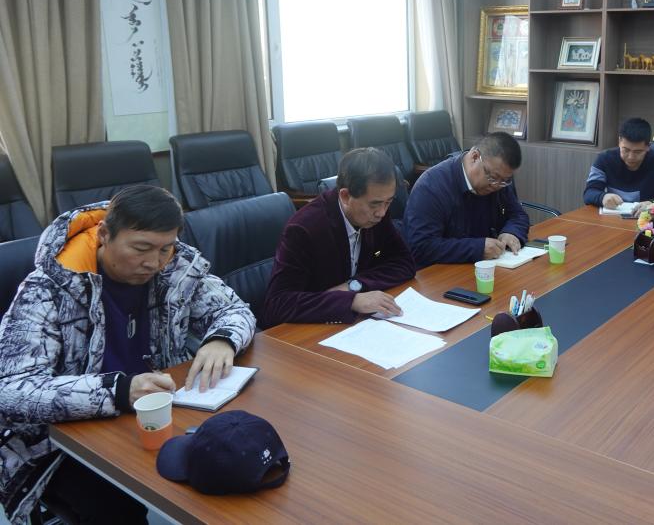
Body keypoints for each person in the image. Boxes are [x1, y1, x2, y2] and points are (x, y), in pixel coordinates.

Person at [0, 185, 256, 523]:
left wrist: (221, 340)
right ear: (104, 235)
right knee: (118, 509)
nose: (154, 263)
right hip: (61, 442)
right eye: (141, 248)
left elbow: (234, 310)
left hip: (161, 412)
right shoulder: (46, 290)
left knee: (236, 464)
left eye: (165, 248)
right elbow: (12, 388)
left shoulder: (176, 269)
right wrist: (118, 391)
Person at [261, 147, 415, 327]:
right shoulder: (304, 229)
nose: (382, 212)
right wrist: (350, 300)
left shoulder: (377, 212)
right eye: (375, 204)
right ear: (345, 196)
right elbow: (276, 305)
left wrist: (354, 286)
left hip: (357, 324)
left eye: (388, 202)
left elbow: (404, 263)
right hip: (310, 330)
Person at [404, 132, 530, 269]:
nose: (496, 186)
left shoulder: (499, 181)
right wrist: (477, 248)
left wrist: (511, 232)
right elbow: (421, 247)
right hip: (445, 272)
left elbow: (518, 214)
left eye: (505, 181)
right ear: (475, 157)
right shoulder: (430, 187)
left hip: (489, 267)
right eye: (493, 177)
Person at [582, 117, 654, 212]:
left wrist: (653, 204)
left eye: (638, 152)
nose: (631, 157)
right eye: (626, 150)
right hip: (612, 218)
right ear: (619, 142)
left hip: (647, 220)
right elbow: (589, 193)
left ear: (648, 146)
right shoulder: (604, 159)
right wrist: (602, 197)